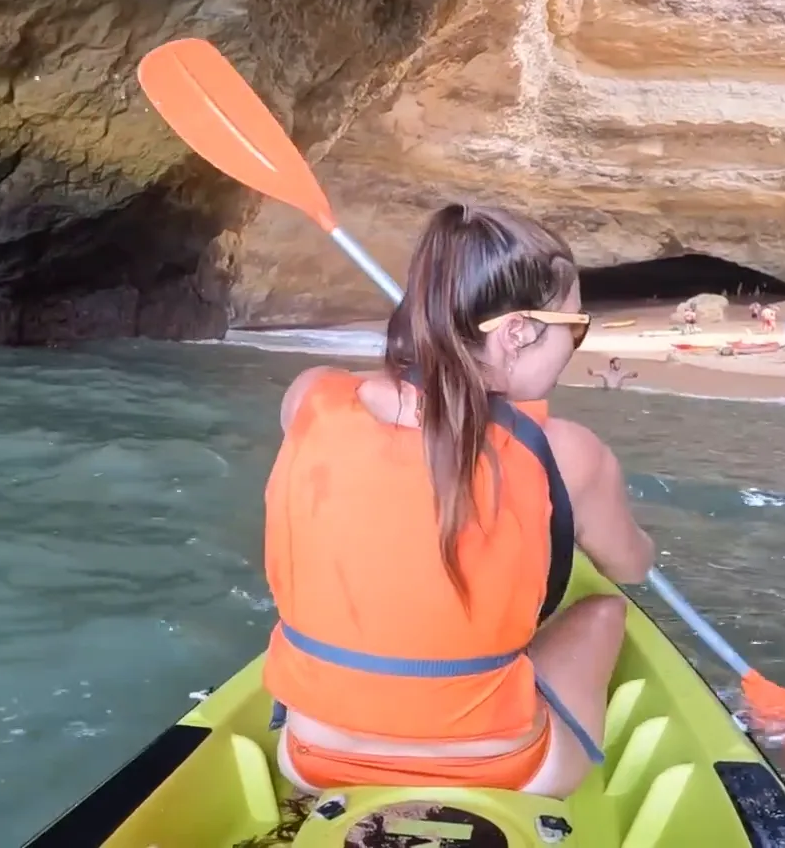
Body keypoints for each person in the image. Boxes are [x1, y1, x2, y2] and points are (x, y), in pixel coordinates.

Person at [261, 203, 655, 800]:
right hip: (509, 772)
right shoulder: (567, 453)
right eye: (575, 326)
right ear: (518, 333)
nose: (576, 344)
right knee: (605, 611)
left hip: (309, 758)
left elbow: (392, 443)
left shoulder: (308, 398)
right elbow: (633, 567)